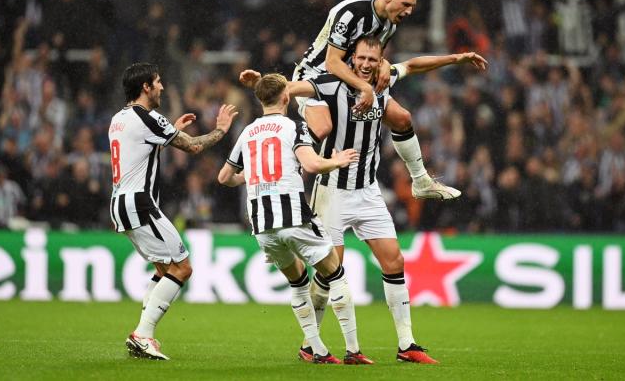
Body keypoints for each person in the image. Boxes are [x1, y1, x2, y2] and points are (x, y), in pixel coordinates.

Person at [241, 36, 487, 364]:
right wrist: (261, 82)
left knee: (395, 262)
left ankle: (407, 345)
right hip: (332, 191)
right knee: (330, 272)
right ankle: (309, 343)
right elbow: (291, 88)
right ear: (351, 59)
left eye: (373, 58)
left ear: (380, 59)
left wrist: (458, 57)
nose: (367, 64)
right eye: (361, 58)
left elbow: (414, 65)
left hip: (368, 191)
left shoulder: (384, 80)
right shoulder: (329, 84)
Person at [217, 73, 373, 365]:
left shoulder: (247, 132)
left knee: (298, 284)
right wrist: (336, 161)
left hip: (263, 226)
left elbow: (224, 177)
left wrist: (249, 176)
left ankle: (318, 351)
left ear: (260, 100)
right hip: (294, 218)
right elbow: (312, 165)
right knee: (334, 275)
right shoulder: (293, 127)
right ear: (286, 96)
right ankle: (353, 350)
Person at [109, 62, 238, 360]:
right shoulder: (148, 116)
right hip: (140, 202)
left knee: (164, 269)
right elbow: (193, 147)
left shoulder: (119, 118)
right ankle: (143, 334)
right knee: (183, 267)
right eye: (158, 81)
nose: (162, 87)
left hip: (121, 202)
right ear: (146, 87)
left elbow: (138, 153)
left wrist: (171, 131)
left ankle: (144, 336)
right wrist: (220, 130)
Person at [294, 0, 460, 200]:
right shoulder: (352, 12)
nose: (409, 11)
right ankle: (278, 168)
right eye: (406, 4)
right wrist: (366, 88)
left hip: (350, 80)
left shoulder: (389, 24)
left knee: (401, 118)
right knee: (323, 127)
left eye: (412, 6)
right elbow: (333, 63)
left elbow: (373, 55)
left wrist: (383, 64)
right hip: (315, 76)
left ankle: (421, 181)